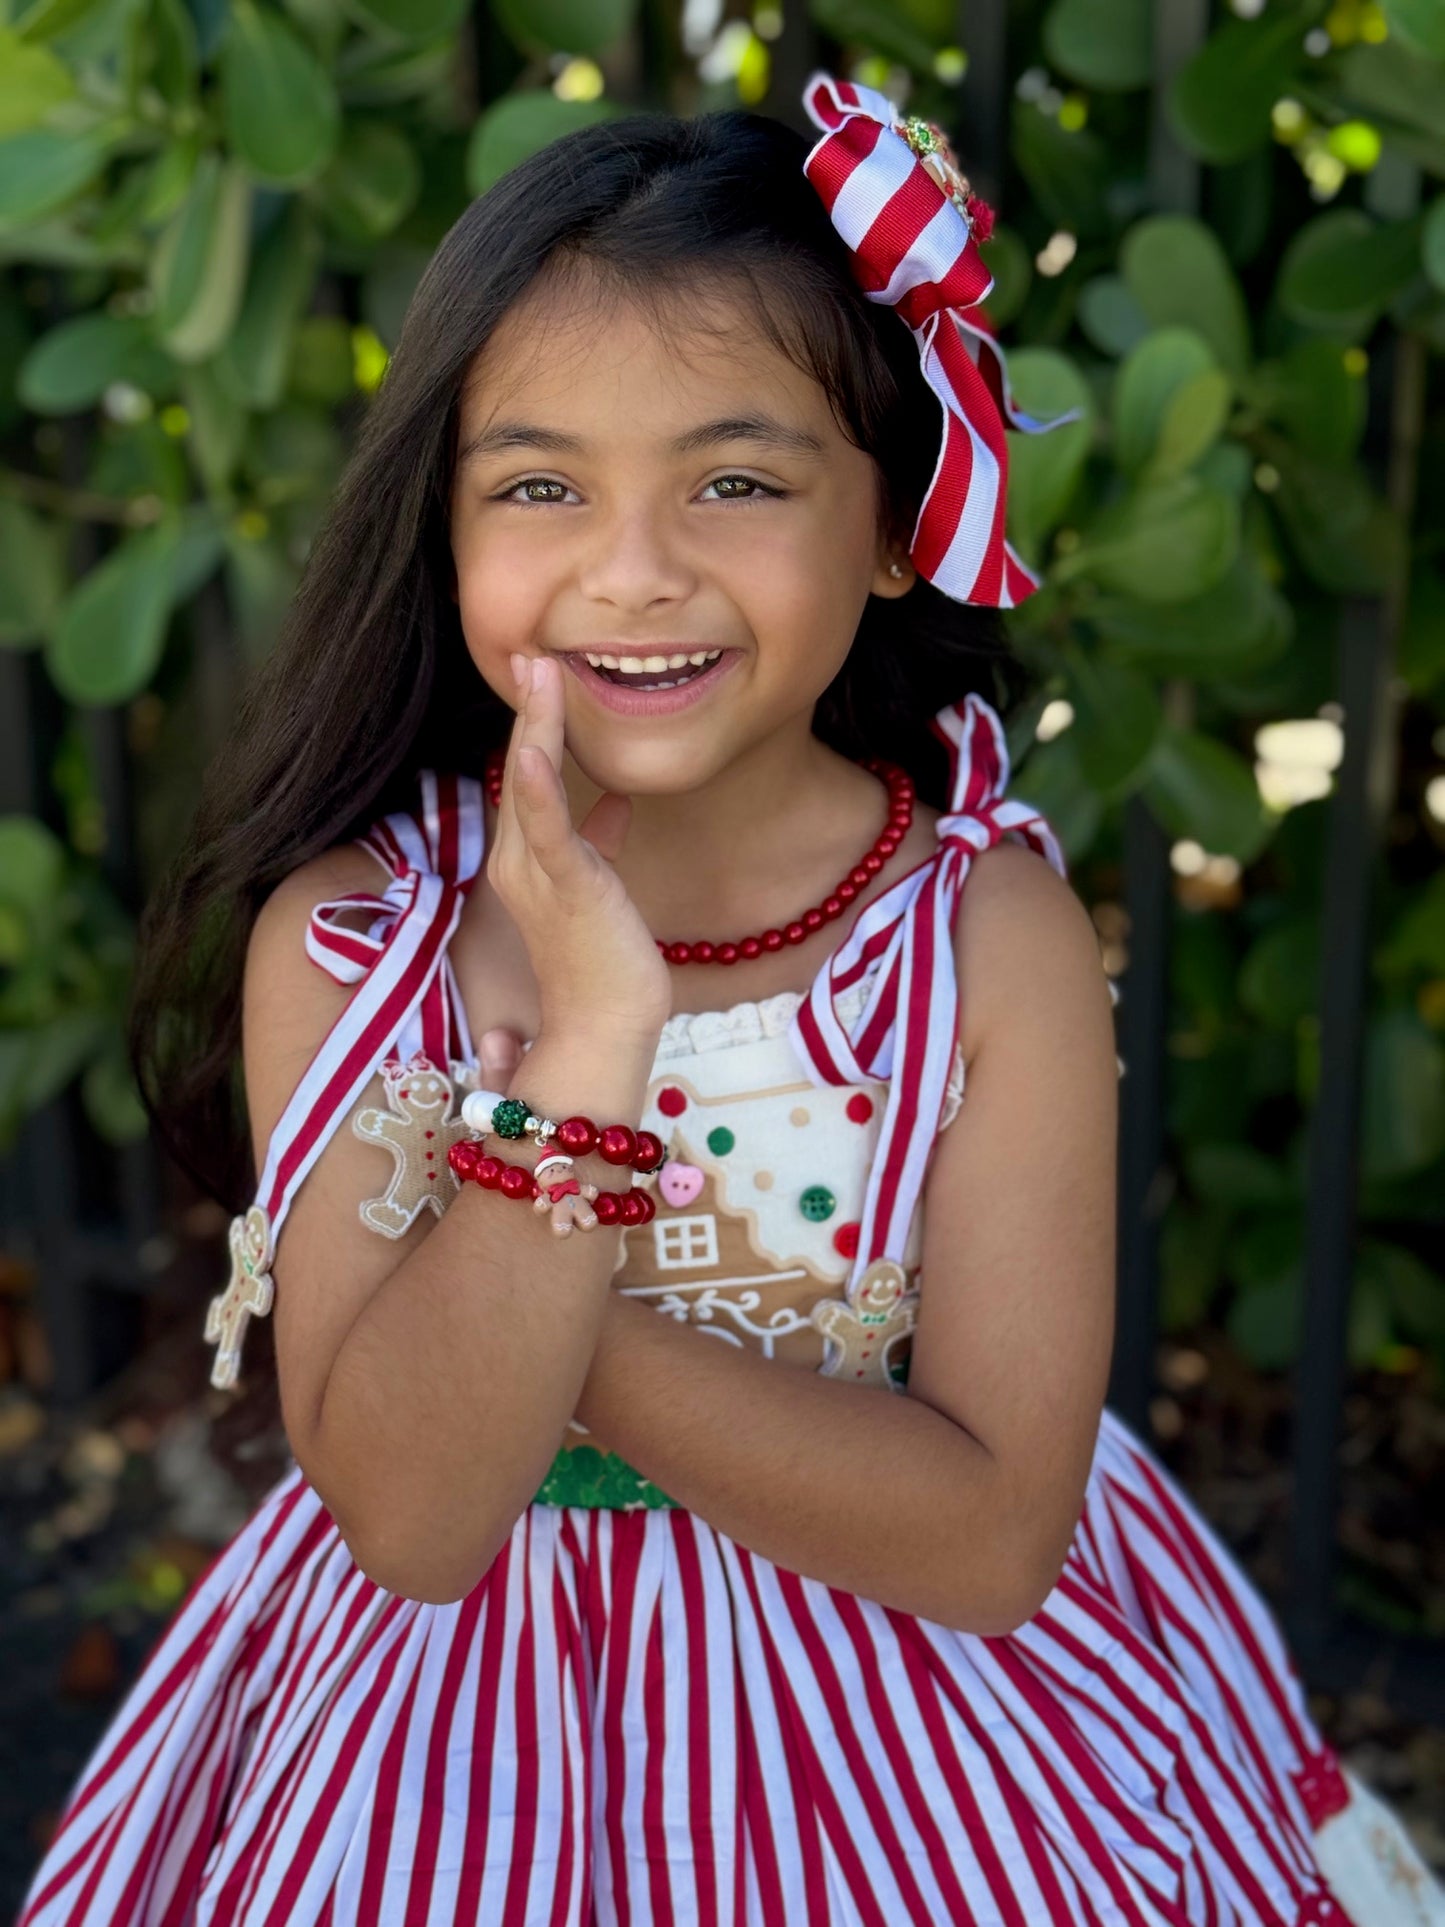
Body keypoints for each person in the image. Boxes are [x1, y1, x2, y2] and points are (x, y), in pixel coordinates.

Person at [18, 71, 1441, 1927]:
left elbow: (989, 1540)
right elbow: (421, 1520)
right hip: (457, 1746)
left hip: (931, 1751)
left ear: (894, 519)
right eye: (539, 485)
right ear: (443, 526)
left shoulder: (979, 935)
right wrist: (589, 1046)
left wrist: (528, 1290)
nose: (632, 571)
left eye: (738, 480)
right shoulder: (361, 941)